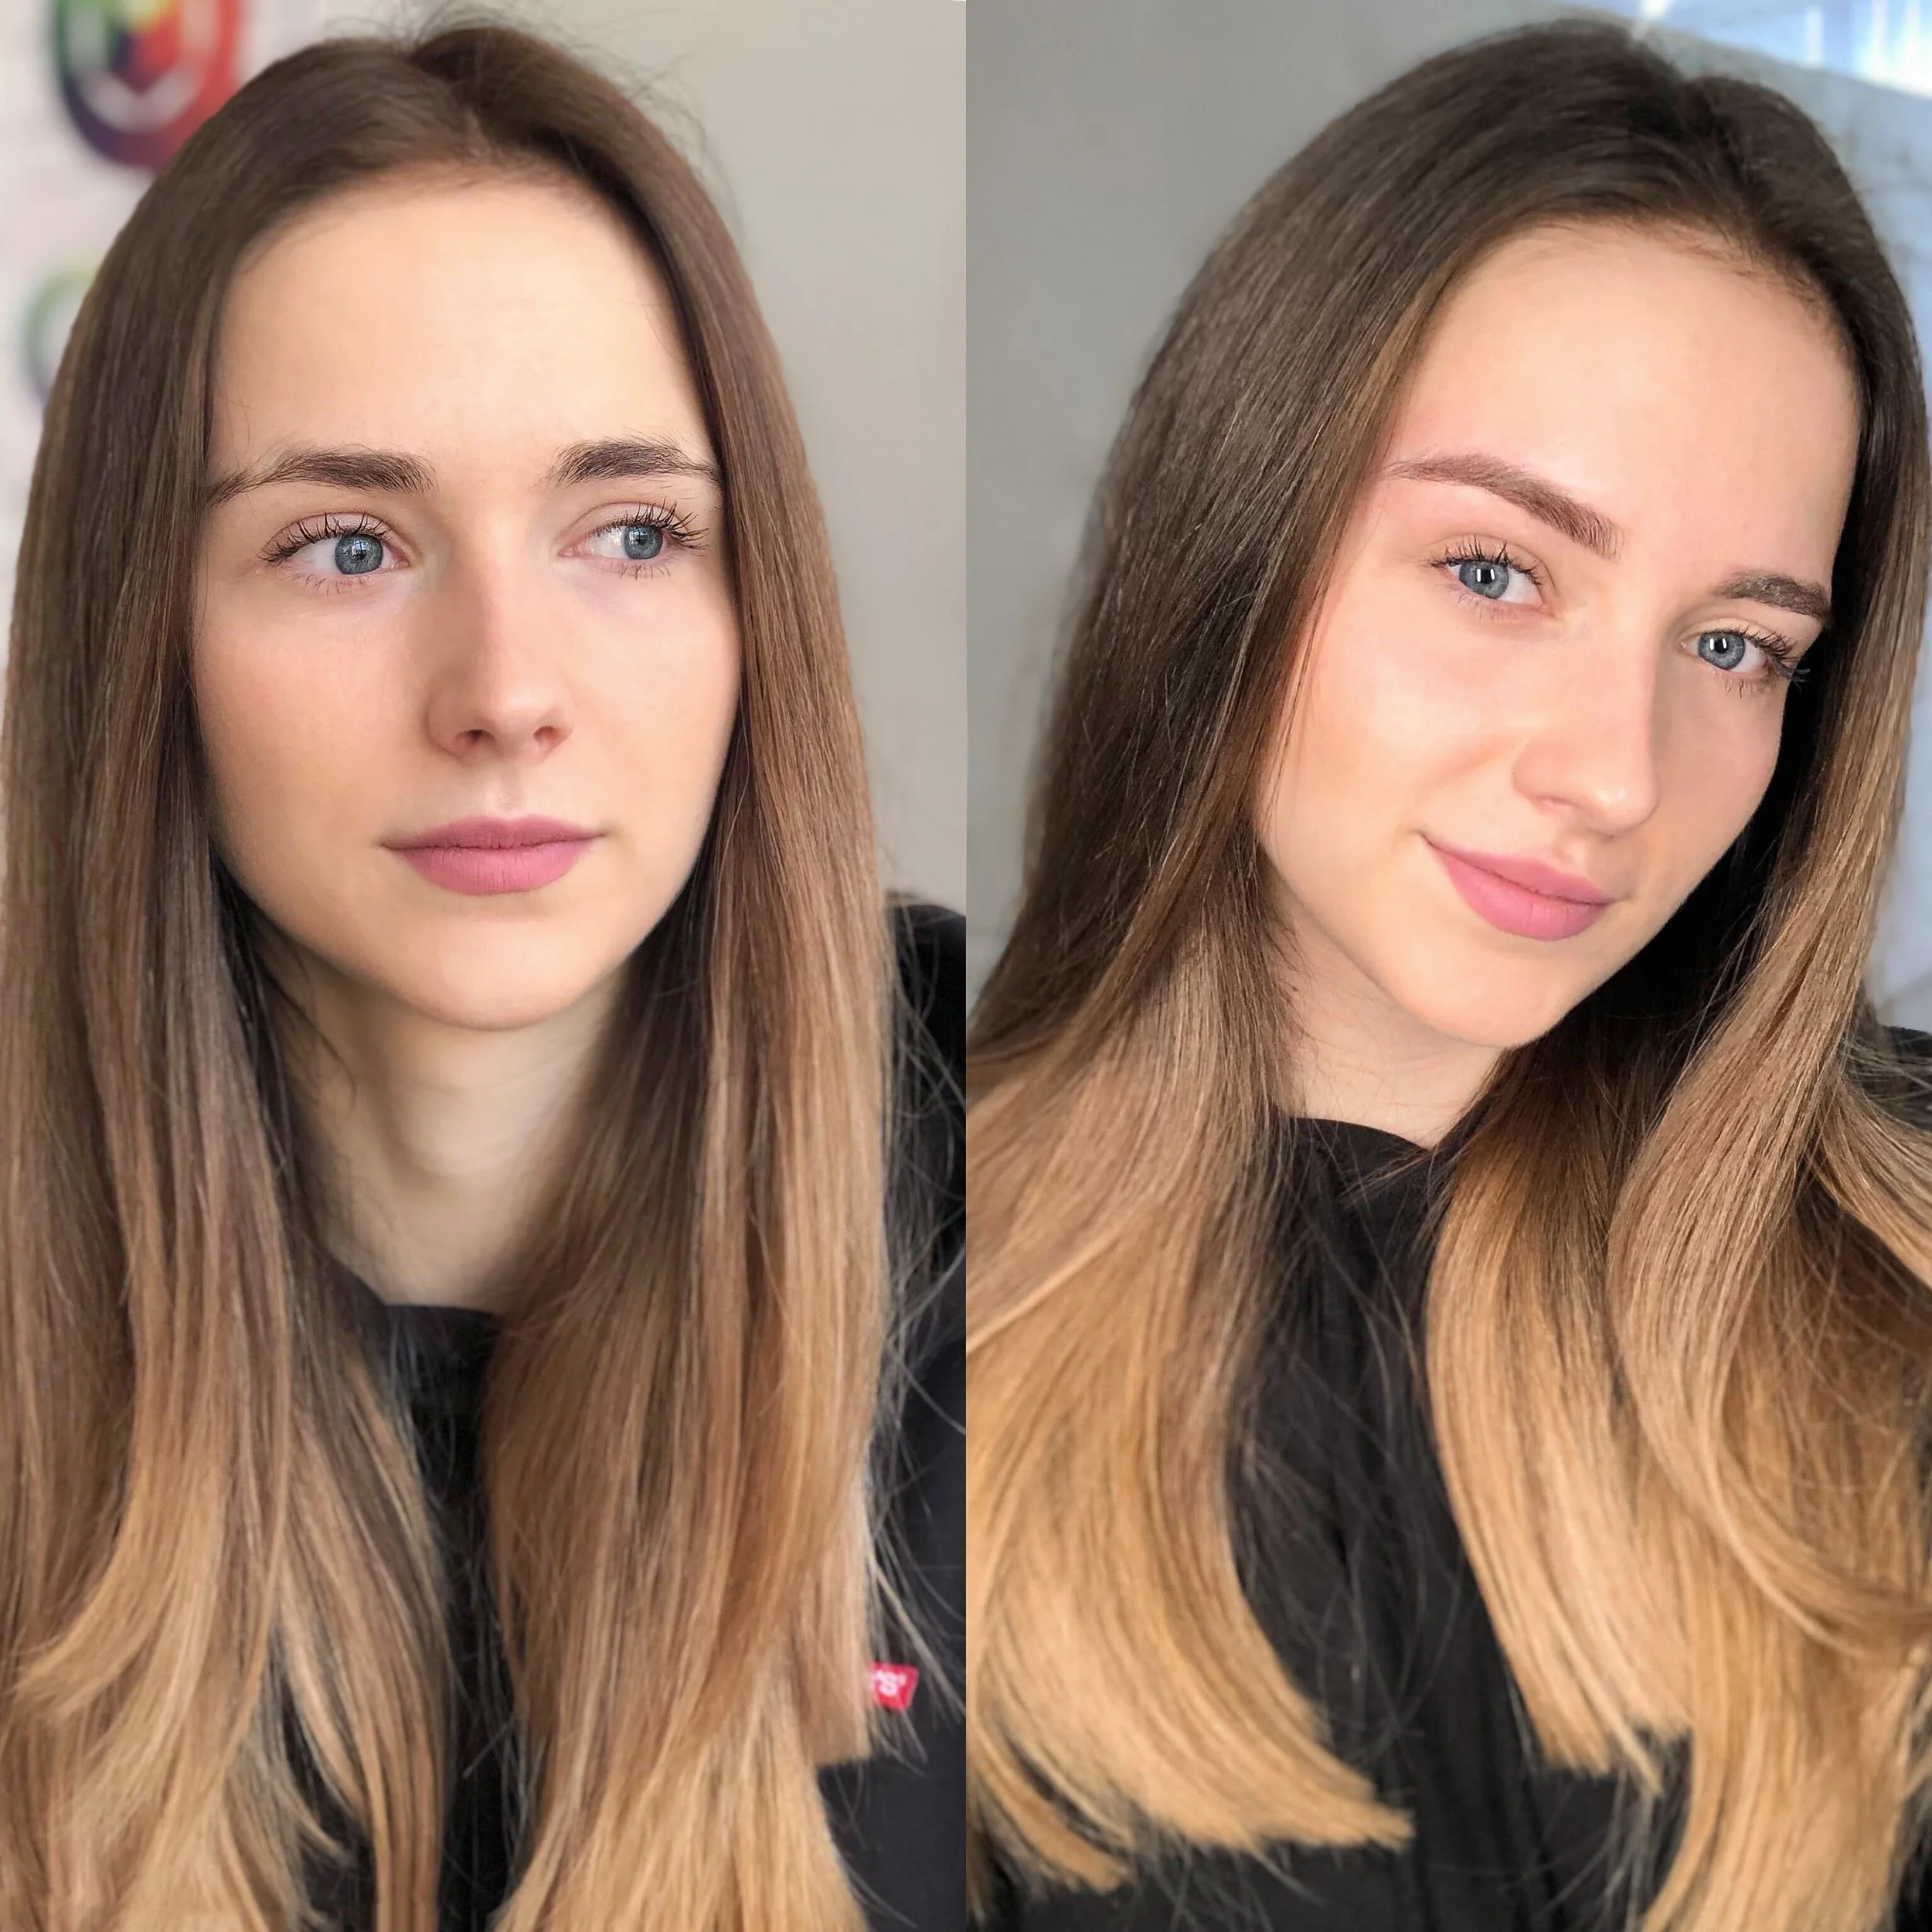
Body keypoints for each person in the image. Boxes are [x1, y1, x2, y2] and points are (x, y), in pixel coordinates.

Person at [968, 20, 1932, 1932]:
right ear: (1232, 540)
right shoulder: (863, 1296)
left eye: (1733, 646)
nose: (1614, 772)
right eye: (1494, 571)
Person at [0, 17, 963, 1932]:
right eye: (348, 545)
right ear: (143, 634)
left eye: (630, 531)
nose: (506, 691)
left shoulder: (1026, 1159)